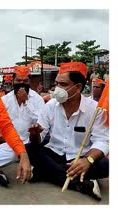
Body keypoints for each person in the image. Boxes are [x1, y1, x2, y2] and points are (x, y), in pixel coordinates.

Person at [27, 61, 109, 200]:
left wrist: (87, 161)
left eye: (63, 84)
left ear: (78, 87)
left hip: (80, 157)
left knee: (105, 165)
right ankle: (79, 183)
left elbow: (102, 140)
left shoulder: (95, 110)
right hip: (55, 153)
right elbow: (39, 137)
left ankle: (45, 172)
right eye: (57, 83)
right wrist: (35, 135)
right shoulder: (50, 106)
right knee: (29, 149)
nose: (57, 88)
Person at [0, 66, 45, 146]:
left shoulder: (38, 100)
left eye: (25, 81)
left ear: (29, 82)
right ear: (13, 81)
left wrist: (26, 102)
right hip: (7, 143)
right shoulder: (4, 99)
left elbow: (41, 122)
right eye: (18, 80)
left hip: (29, 143)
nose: (22, 83)